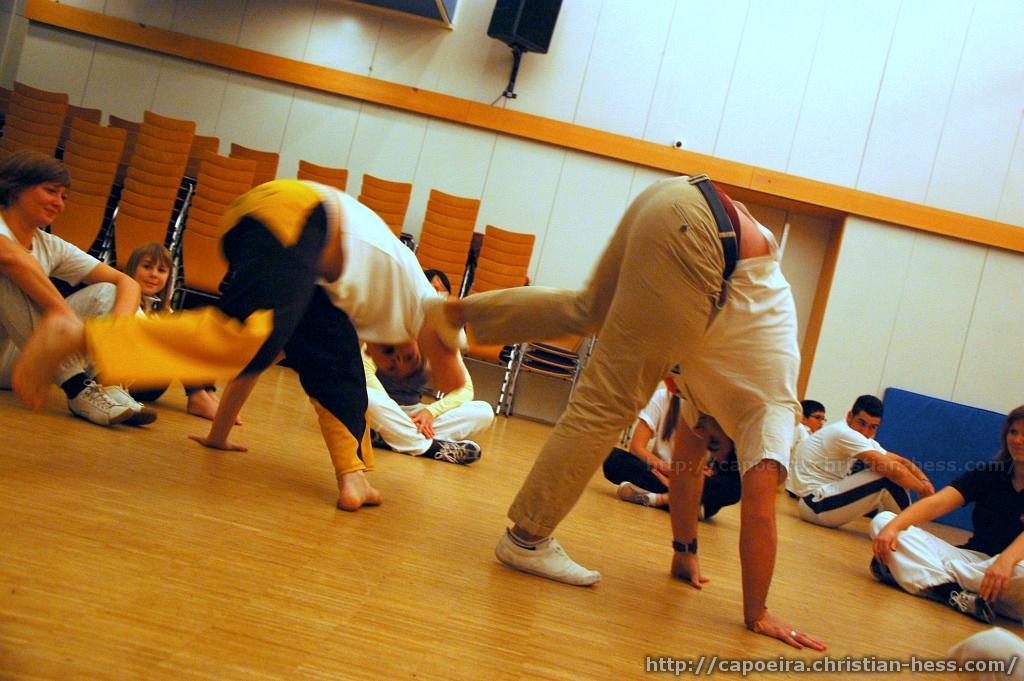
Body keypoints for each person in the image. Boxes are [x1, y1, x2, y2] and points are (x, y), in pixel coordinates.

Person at [425, 174, 826, 649]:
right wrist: (757, 613)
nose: (707, 441)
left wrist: (685, 551)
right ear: (739, 441)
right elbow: (760, 514)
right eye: (722, 448)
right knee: (608, 401)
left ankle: (453, 315)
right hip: (704, 236)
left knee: (587, 309)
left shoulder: (715, 396)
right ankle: (526, 540)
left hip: (675, 199)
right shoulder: (775, 408)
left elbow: (686, 467)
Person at [12, 179, 466, 512]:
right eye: (407, 355)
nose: (397, 353)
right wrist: (447, 367)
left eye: (395, 362)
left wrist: (218, 435)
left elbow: (257, 364)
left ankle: (355, 479)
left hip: (285, 229)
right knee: (242, 336)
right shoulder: (423, 306)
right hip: (299, 216)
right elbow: (453, 354)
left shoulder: (370, 313)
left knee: (329, 362)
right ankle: (75, 334)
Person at [0, 150, 151, 426]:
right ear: (15, 188)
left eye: (64, 197)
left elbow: (126, 282)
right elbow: (12, 258)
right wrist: (64, 318)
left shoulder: (49, 244)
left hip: (19, 361)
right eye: (51, 191)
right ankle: (76, 387)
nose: (59, 203)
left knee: (109, 291)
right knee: (10, 276)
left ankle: (105, 385)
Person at [871, 405, 1024, 624]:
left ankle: (927, 577)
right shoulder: (990, 474)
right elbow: (937, 503)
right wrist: (892, 529)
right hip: (974, 561)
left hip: (1012, 577)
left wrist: (1005, 562)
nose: (1017, 440)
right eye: (1013, 432)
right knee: (884, 521)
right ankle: (952, 593)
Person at [365, 268, 491, 464]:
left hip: (412, 414)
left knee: (483, 411)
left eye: (442, 293)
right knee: (367, 398)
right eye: (431, 289)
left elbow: (465, 389)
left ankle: (391, 437)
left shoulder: (442, 334)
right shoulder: (392, 321)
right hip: (385, 408)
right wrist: (395, 413)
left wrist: (430, 412)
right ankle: (428, 446)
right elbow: (365, 371)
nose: (436, 295)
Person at [787, 395, 934, 528]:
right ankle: (910, 530)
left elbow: (902, 461)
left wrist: (924, 481)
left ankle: (903, 529)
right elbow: (894, 469)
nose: (865, 431)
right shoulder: (843, 432)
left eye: (872, 427)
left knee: (889, 473)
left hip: (820, 502)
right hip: (815, 504)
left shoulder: (860, 437)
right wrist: (923, 492)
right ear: (850, 416)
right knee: (886, 476)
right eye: (862, 423)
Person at [603, 379, 740, 521]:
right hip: (661, 472)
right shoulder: (662, 397)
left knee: (734, 486)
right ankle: (688, 503)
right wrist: (670, 471)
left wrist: (693, 475)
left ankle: (661, 499)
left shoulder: (717, 410)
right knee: (612, 458)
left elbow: (720, 461)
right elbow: (637, 448)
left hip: (697, 480)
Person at [121, 242, 227, 421]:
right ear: (132, 269)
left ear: (169, 278)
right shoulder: (123, 300)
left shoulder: (162, 310)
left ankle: (207, 391)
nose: (153, 274)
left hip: (151, 386)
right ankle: (197, 395)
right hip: (126, 380)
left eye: (161, 270)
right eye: (147, 267)